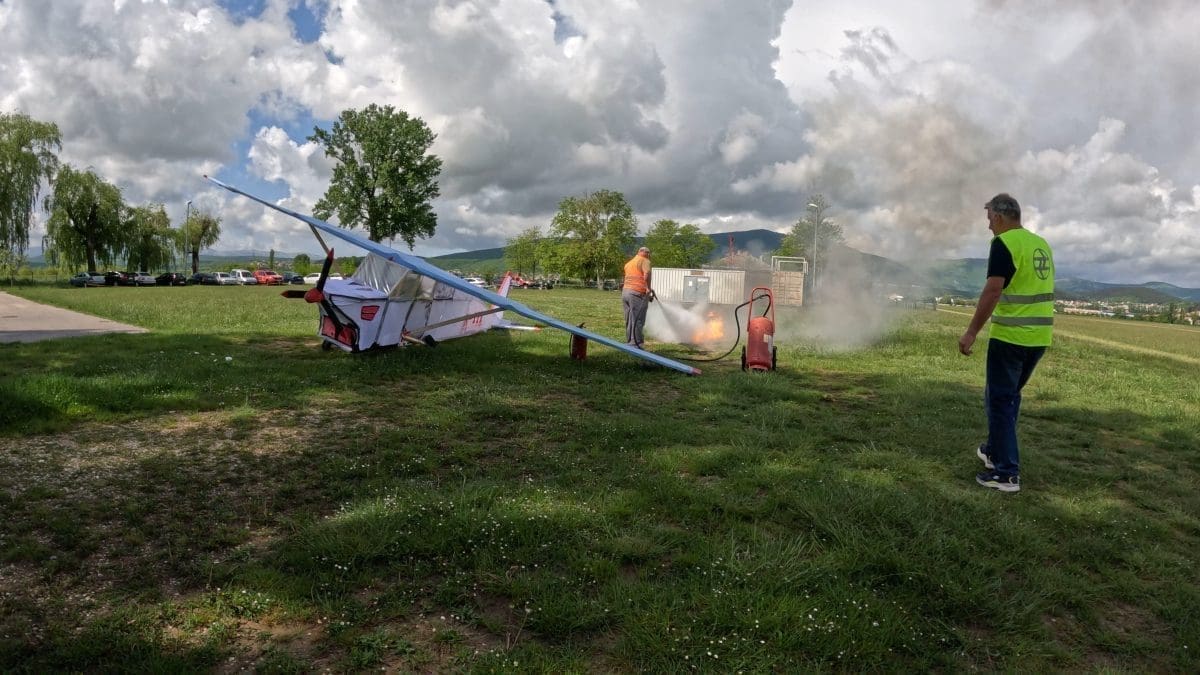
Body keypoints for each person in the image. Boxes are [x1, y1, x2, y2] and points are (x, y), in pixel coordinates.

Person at [958, 193, 1054, 493]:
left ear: (999, 217)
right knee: (1007, 397)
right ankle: (993, 451)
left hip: (1011, 337)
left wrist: (971, 331)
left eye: (989, 219)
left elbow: (993, 290)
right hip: (1039, 338)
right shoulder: (1040, 244)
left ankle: (1007, 474)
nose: (989, 226)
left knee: (1000, 401)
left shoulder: (1004, 243)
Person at [622, 246, 653, 349]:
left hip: (625, 292)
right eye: (649, 254)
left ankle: (630, 341)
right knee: (638, 319)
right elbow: (646, 274)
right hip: (637, 293)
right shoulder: (645, 260)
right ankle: (636, 343)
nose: (649, 256)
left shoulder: (629, 263)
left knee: (629, 318)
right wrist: (648, 288)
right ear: (647, 253)